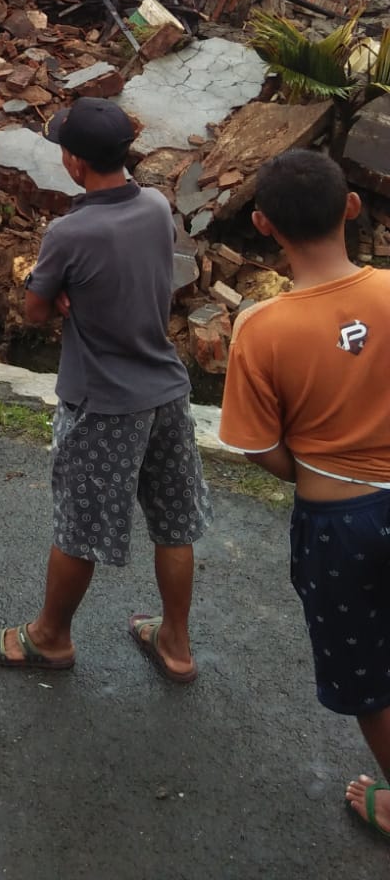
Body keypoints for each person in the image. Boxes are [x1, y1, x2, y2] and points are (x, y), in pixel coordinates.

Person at [0, 97, 211, 681]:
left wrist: (49, 290)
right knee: (174, 522)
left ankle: (50, 637)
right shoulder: (157, 206)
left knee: (79, 527)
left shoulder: (69, 231)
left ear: (75, 162)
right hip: (166, 388)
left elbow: (32, 312)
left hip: (104, 401)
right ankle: (176, 643)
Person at [219, 150, 390, 844]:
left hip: (340, 523)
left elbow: (260, 447)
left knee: (368, 670)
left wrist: (312, 471)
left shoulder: (261, 330)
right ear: (352, 205)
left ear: (263, 224)